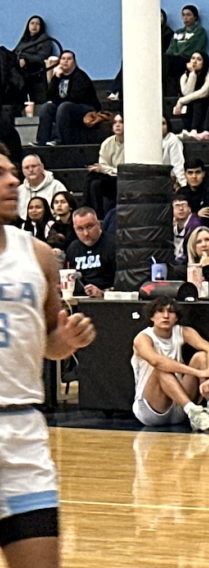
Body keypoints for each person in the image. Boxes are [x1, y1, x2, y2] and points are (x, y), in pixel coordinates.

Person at [0, 146, 97, 566]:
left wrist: (66, 339)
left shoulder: (37, 254)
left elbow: (48, 342)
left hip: (23, 431)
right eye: (0, 174)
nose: (13, 181)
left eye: (12, 172)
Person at [131, 297, 209, 430]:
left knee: (202, 357)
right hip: (152, 410)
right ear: (152, 317)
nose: (166, 316)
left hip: (180, 408)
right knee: (161, 369)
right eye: (160, 311)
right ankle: (194, 413)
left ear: (177, 318)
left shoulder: (183, 331)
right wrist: (198, 373)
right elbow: (158, 362)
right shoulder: (143, 338)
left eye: (171, 312)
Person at [34, 50, 99, 146]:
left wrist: (58, 102)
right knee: (46, 107)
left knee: (64, 106)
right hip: (65, 107)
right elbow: (49, 96)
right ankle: (41, 141)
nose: (65, 61)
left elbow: (75, 97)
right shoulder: (58, 76)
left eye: (69, 59)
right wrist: (55, 78)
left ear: (74, 62)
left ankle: (60, 139)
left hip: (86, 108)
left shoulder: (80, 76)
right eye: (63, 59)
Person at [64, 207, 116, 297]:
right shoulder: (73, 248)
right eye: (80, 229)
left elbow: (122, 283)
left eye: (90, 227)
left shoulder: (113, 245)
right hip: (79, 298)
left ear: (99, 224)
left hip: (107, 299)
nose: (86, 233)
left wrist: (104, 294)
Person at [82, 113, 125, 218]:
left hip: (125, 181)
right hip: (111, 179)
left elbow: (125, 170)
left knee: (93, 179)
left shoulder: (133, 143)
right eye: (115, 122)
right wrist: (106, 170)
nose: (117, 125)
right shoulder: (107, 143)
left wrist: (106, 169)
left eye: (121, 122)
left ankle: (85, 209)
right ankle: (97, 215)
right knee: (94, 180)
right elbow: (103, 165)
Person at [15, 15, 61, 106]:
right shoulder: (24, 40)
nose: (34, 26)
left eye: (37, 24)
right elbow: (15, 53)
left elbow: (42, 56)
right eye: (32, 23)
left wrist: (26, 60)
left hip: (35, 71)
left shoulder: (44, 39)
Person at [175, 51, 209, 133]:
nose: (194, 61)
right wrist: (192, 74)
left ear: (204, 62)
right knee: (187, 103)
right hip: (192, 102)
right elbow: (187, 93)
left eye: (199, 59)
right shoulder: (185, 76)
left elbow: (204, 92)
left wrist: (180, 101)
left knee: (197, 102)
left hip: (206, 102)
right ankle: (186, 129)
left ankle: (194, 129)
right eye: (193, 58)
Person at [178, 158, 209, 228]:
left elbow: (207, 216)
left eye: (198, 172)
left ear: (203, 174)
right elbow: (178, 215)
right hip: (188, 230)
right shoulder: (181, 192)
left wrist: (189, 215)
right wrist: (196, 215)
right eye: (190, 173)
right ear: (185, 175)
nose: (194, 176)